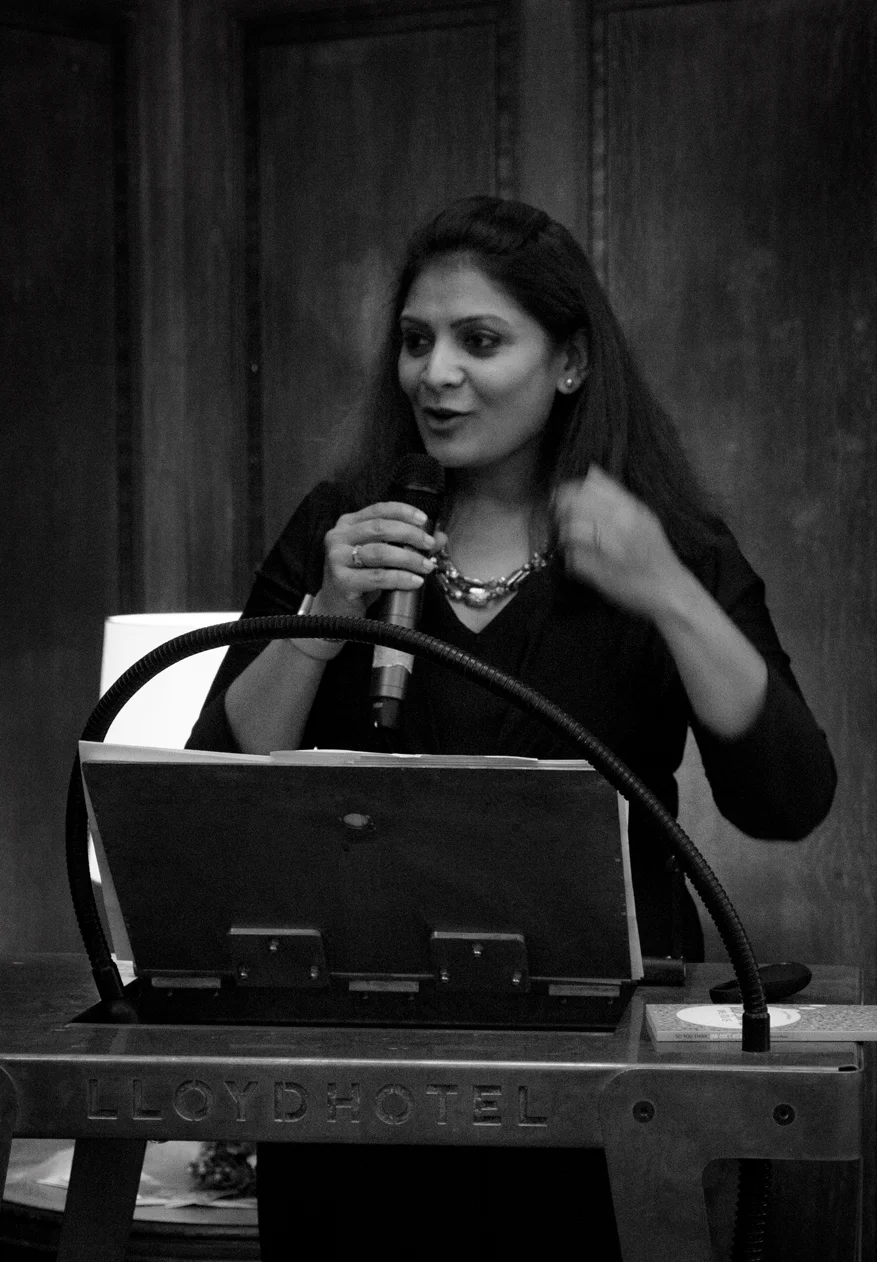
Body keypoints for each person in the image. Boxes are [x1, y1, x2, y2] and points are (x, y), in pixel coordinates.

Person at [188, 195, 836, 1260]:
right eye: (416, 341)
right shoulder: (344, 524)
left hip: (602, 1072)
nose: (435, 373)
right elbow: (219, 783)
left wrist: (672, 593)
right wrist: (322, 616)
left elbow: (787, 797)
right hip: (357, 1066)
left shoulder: (659, 542)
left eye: (479, 341)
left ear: (569, 361)